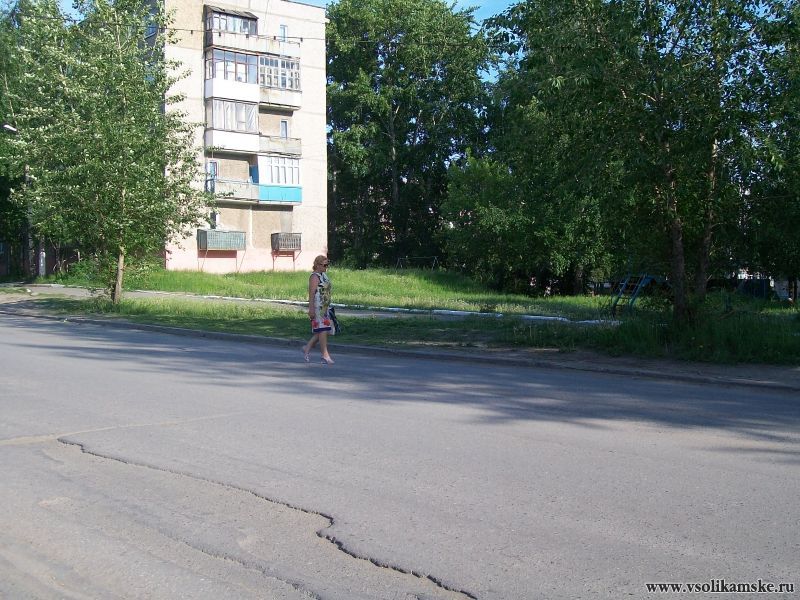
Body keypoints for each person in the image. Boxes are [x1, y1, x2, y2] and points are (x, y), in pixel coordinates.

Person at [302, 255, 335, 364]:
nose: (326, 267)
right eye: (324, 265)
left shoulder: (323, 275)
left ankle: (307, 348)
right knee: (323, 330)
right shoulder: (314, 277)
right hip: (318, 308)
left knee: (324, 330)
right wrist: (311, 308)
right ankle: (325, 355)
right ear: (317, 265)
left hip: (325, 307)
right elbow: (311, 294)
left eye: (327, 265)